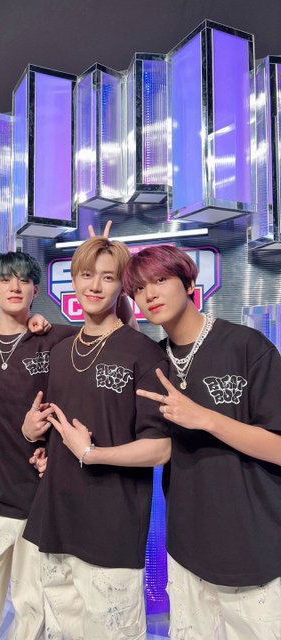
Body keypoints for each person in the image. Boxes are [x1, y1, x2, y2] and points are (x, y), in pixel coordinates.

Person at [122, 244, 281, 640]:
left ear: (190, 284)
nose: (150, 294)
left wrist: (206, 419)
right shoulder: (153, 361)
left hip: (256, 548)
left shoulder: (246, 346)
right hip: (186, 549)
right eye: (139, 288)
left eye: (161, 280)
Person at [22, 237, 171, 640]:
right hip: (55, 523)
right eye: (87, 275)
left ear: (122, 286)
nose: (94, 286)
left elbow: (160, 448)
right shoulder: (60, 352)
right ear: (73, 280)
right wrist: (42, 445)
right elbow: (57, 427)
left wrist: (90, 453)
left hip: (111, 530)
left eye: (107, 277)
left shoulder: (144, 353)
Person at [0, 251, 76, 640]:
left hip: (40, 500)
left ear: (35, 290)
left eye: (24, 280)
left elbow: (114, 331)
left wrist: (54, 446)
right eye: (6, 280)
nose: (15, 287)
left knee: (33, 612)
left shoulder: (57, 339)